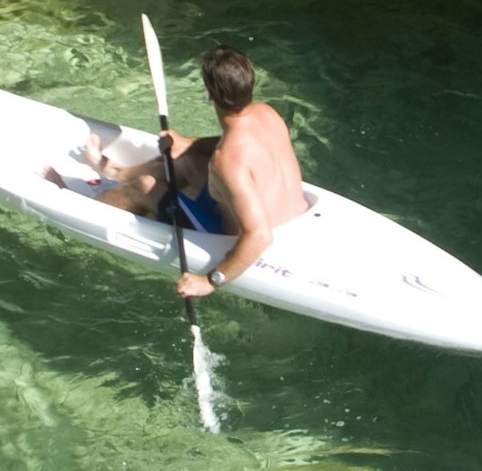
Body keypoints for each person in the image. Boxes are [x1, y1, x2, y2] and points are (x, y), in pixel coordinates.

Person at [53, 43, 301, 300]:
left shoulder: (226, 161)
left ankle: (76, 200)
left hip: (235, 236)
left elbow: (260, 236)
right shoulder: (266, 113)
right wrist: (187, 143)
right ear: (249, 84)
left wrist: (210, 281)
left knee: (145, 187)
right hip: (290, 218)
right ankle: (116, 171)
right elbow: (231, 140)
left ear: (210, 95)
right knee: (186, 160)